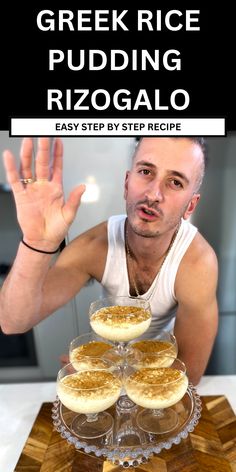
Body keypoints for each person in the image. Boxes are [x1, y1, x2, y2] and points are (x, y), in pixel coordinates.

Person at [0, 137, 218, 385]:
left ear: (191, 205)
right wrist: (36, 244)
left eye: (175, 182)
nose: (153, 194)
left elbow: (190, 372)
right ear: (127, 183)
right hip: (105, 367)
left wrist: (109, 371)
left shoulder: (197, 262)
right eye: (146, 171)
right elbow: (12, 321)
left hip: (158, 377)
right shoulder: (95, 245)